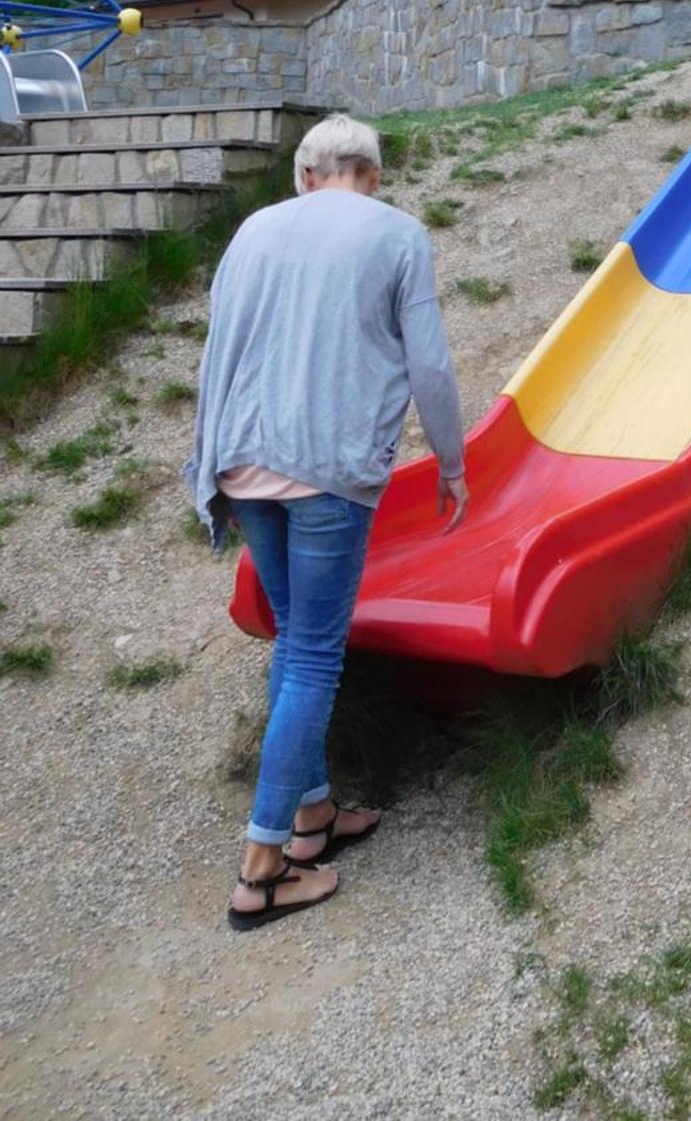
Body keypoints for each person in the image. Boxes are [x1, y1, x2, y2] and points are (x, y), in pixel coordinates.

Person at [185, 112, 469, 931]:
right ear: (371, 176)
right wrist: (450, 463)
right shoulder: (398, 234)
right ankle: (263, 869)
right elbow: (431, 363)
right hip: (326, 468)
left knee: (294, 644)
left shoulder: (253, 230)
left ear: (305, 176)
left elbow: (220, 343)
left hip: (240, 460)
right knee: (313, 655)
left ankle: (312, 818)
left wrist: (210, 463)